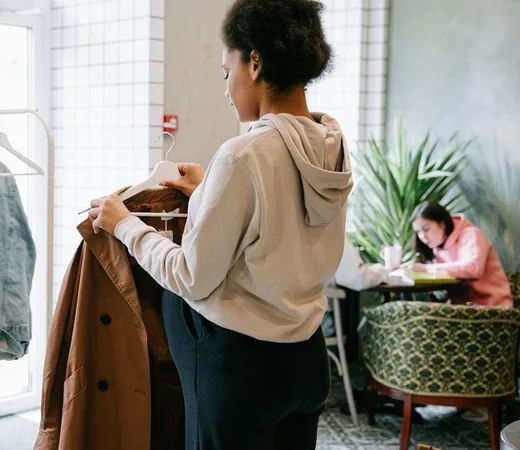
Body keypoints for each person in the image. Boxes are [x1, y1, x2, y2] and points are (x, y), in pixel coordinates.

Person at [88, 0, 352, 448]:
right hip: (307, 360)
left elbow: (192, 277)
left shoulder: (243, 154)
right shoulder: (331, 144)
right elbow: (282, 217)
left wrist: (126, 226)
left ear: (254, 61)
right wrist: (212, 190)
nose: (226, 89)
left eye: (226, 72)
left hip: (244, 368)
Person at [402, 201, 513, 308]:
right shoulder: (437, 247)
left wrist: (426, 269)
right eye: (418, 232)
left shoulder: (471, 234)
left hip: (492, 307)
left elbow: (473, 268)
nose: (423, 237)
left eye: (426, 229)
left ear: (442, 223)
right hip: (462, 308)